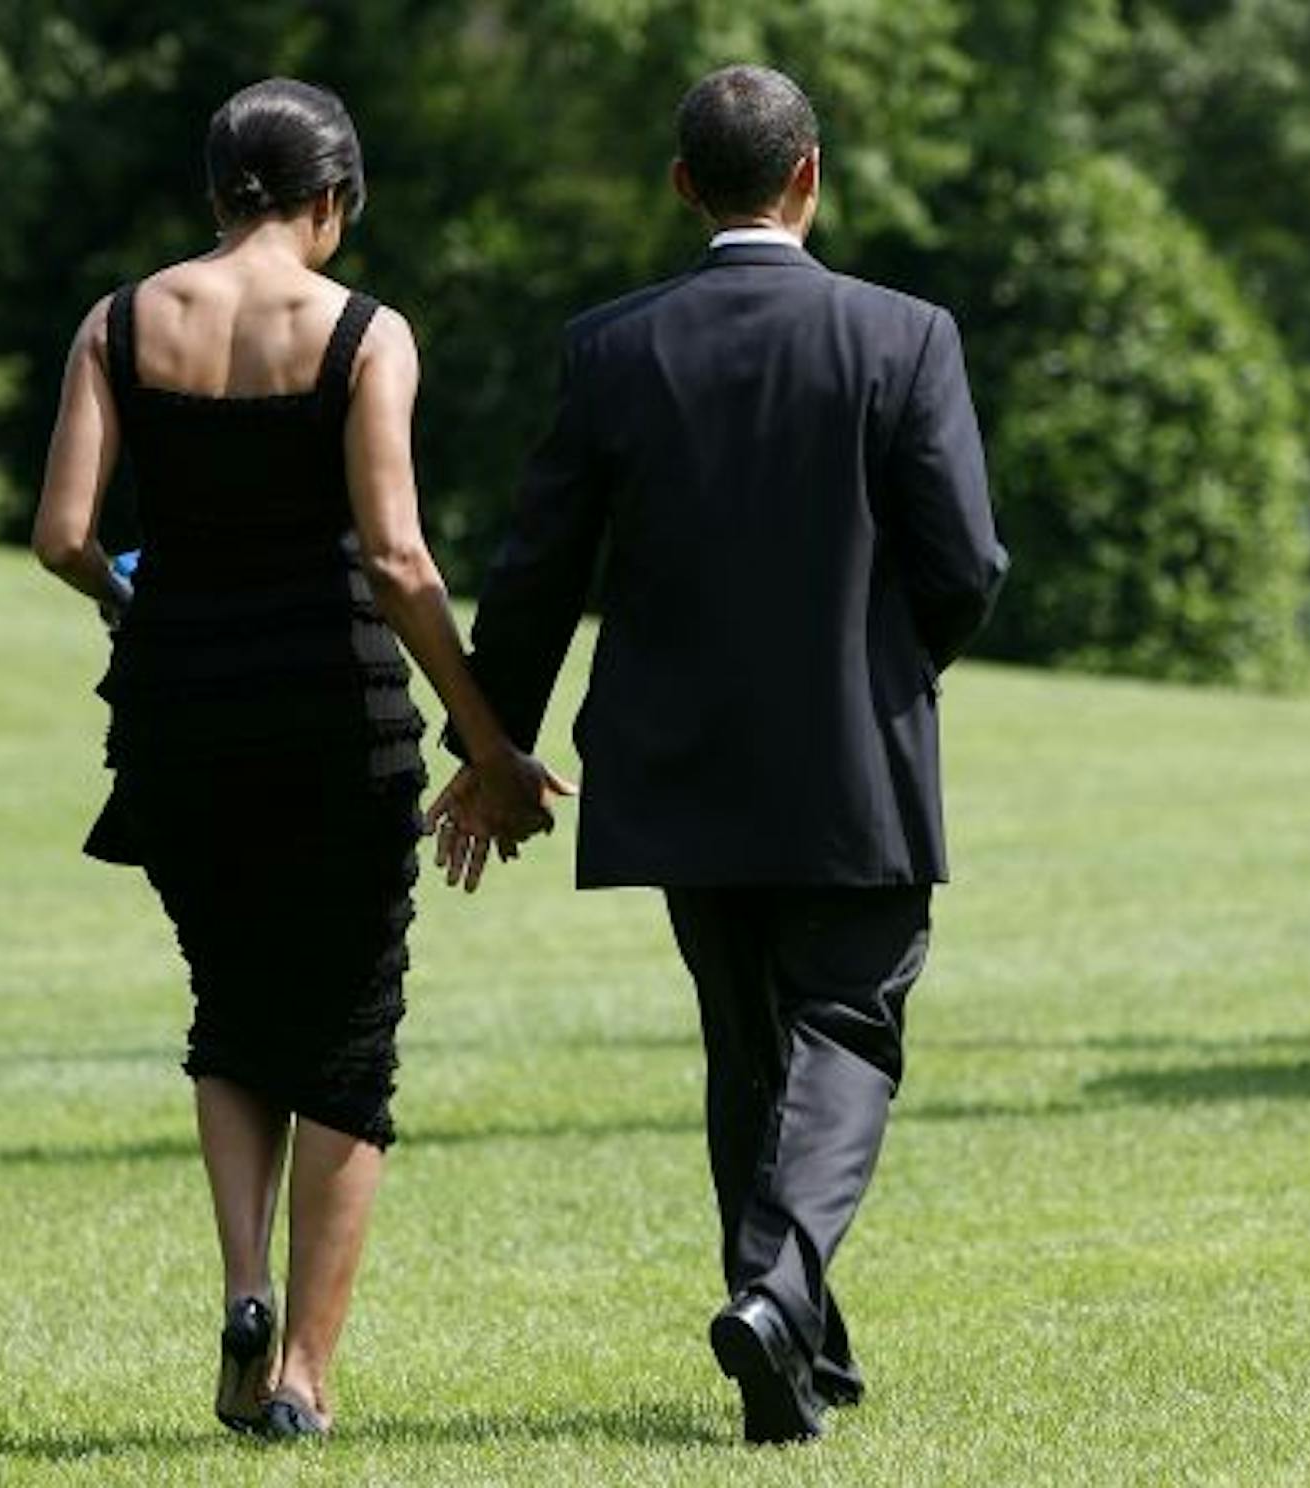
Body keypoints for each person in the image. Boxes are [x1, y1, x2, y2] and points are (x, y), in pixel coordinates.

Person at [430, 64, 1008, 1444]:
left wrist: (491, 742)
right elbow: (967, 562)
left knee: (748, 1045)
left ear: (685, 185)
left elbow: (533, 573)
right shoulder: (905, 335)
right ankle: (773, 1294)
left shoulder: (612, 347)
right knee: (849, 1029)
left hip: (677, 764)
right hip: (851, 762)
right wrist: (886, 676)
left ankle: (797, 1355)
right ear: (810, 173)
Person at [31, 78, 562, 1441]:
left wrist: (132, 596)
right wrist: (487, 737)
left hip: (176, 714)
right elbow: (394, 559)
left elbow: (63, 536)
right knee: (351, 1034)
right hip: (333, 714)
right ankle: (306, 1380)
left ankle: (246, 1284)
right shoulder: (366, 335)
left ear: (220, 195)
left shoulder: (119, 321)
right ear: (336, 200)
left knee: (232, 1001)